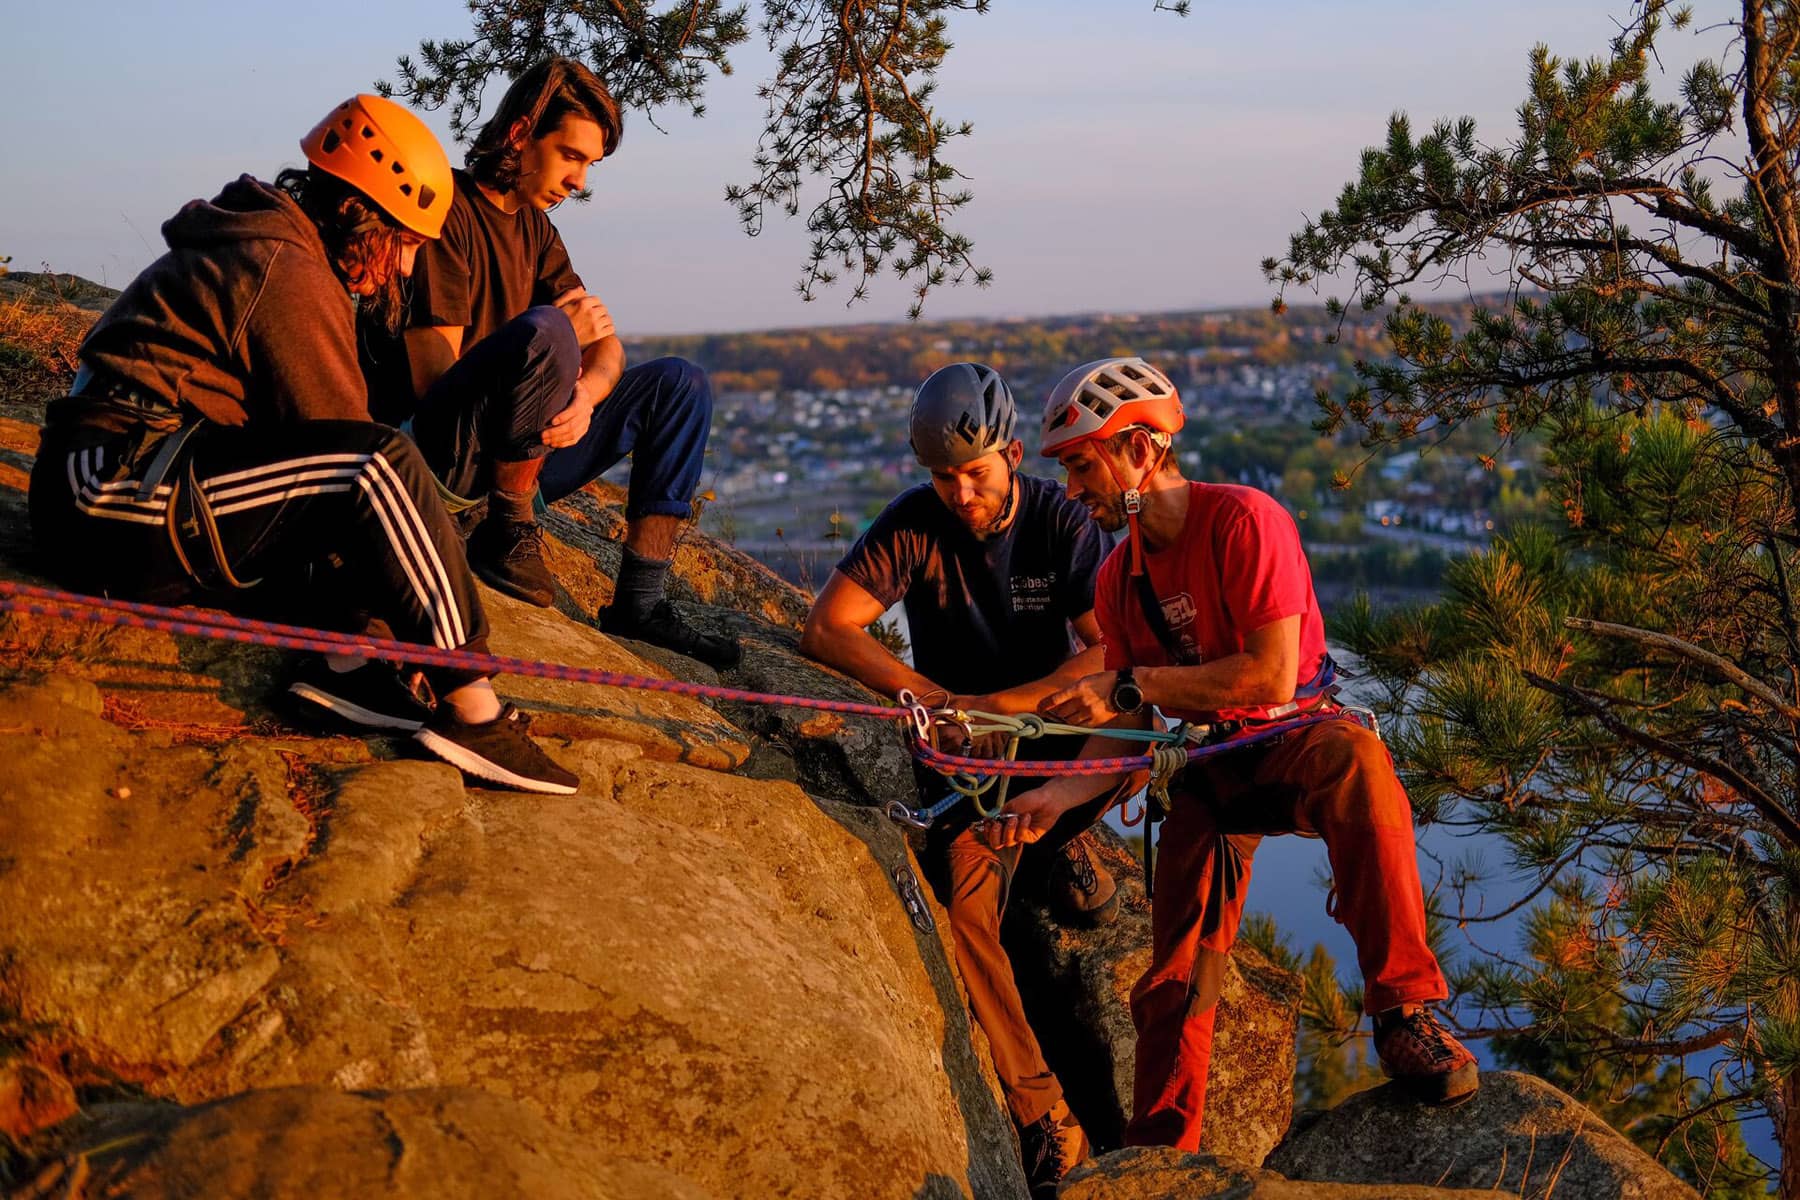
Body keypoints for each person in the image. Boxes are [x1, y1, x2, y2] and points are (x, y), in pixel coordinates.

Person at [985, 356, 1478, 1151]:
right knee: (1177, 973)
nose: (1072, 490)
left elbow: (1269, 673)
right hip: (1212, 770)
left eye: (1083, 465)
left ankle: (1404, 1014)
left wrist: (1130, 683)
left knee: (1360, 769)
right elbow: (1132, 725)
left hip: (1294, 738)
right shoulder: (1118, 579)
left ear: (1140, 450)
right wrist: (1060, 795)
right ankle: (1161, 1148)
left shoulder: (1245, 521)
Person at [28, 94, 578, 796]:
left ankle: (343, 668)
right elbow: (349, 448)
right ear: (357, 211)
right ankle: (472, 708)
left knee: (359, 488)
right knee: (377, 464)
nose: (406, 268)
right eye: (406, 241)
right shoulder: (281, 265)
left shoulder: (285, 249)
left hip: (147, 482)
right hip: (108, 492)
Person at [799, 362, 1131, 1198]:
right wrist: (934, 698)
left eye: (974, 473)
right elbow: (828, 627)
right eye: (943, 478)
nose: (960, 493)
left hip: (1048, 735)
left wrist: (997, 707)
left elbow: (1108, 651)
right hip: (973, 766)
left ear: (1013, 455)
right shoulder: (916, 522)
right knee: (970, 914)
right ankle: (1045, 1115)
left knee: (1128, 723)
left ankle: (1064, 841)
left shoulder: (1060, 521)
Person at [359, 56, 738, 669]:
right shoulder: (446, 211)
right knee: (550, 328)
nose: (579, 181)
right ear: (520, 135)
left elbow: (607, 345)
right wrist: (552, 343)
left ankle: (640, 604)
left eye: (589, 165)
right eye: (571, 156)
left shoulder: (536, 231)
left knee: (679, 384)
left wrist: (586, 394)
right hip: (446, 461)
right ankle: (504, 533)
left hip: (524, 450)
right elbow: (433, 383)